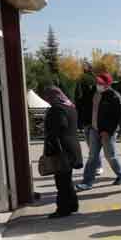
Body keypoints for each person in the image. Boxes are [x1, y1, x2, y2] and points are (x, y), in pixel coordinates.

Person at [76, 73, 121, 191]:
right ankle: (87, 182)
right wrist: (86, 123)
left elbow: (117, 117)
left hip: (107, 132)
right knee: (92, 156)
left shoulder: (114, 96)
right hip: (94, 129)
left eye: (101, 83)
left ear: (108, 84)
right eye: (97, 82)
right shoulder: (93, 93)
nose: (98, 84)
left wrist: (108, 131)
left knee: (110, 156)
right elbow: (86, 107)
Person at [40, 87, 83, 218]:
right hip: (71, 147)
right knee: (67, 179)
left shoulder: (56, 109)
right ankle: (72, 205)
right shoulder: (70, 107)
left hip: (61, 149)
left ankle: (63, 209)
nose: (46, 99)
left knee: (61, 181)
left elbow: (59, 127)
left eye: (47, 96)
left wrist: (49, 140)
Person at [76, 63, 103, 176]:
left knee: (93, 147)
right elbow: (78, 101)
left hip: (94, 121)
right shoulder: (81, 82)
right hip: (86, 120)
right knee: (91, 147)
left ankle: (98, 166)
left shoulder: (95, 82)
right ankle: (97, 165)